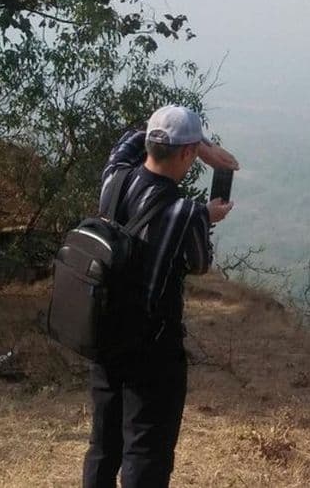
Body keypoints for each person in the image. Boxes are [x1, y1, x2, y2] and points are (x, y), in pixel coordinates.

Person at [83, 105, 238, 487]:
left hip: (104, 333)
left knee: (103, 444)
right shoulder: (185, 211)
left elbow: (128, 143)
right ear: (187, 154)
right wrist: (207, 215)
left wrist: (196, 145)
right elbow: (200, 263)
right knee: (146, 450)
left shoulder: (113, 179)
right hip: (152, 347)